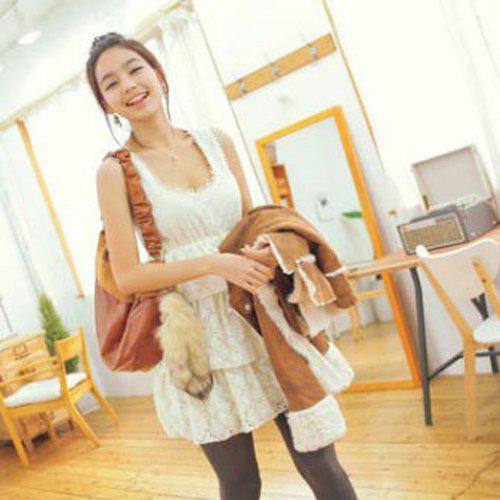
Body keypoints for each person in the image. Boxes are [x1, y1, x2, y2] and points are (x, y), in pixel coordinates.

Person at [86, 31, 357, 500]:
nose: (127, 85)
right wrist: (215, 263)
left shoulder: (217, 142)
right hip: (198, 336)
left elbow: (251, 222)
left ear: (158, 74)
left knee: (322, 463)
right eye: (110, 83)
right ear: (106, 103)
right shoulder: (114, 171)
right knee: (240, 482)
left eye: (134, 69)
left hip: (261, 316)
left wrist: (263, 250)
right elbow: (128, 277)